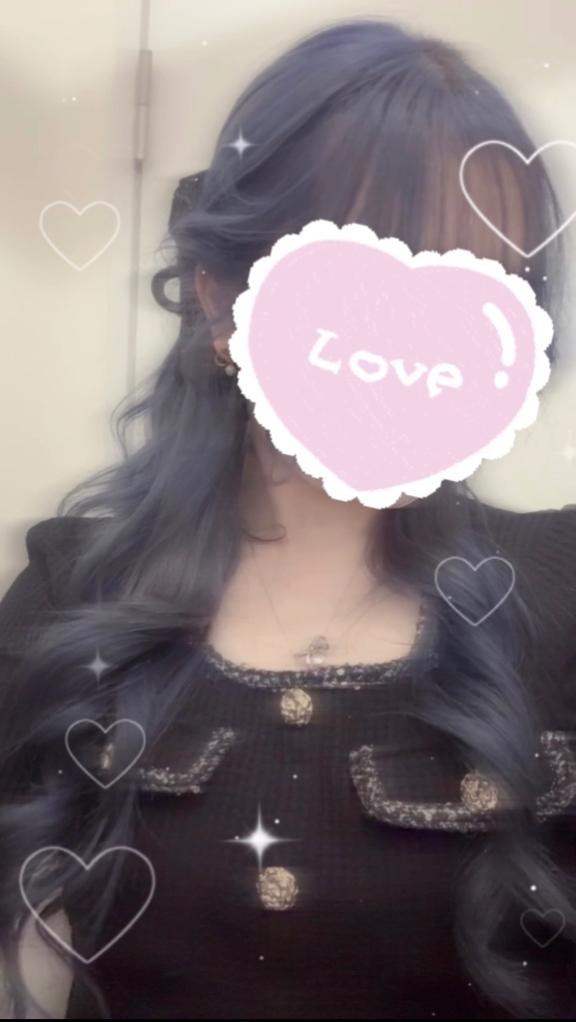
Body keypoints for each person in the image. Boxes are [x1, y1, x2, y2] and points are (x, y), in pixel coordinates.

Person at [1, 16, 576, 1021]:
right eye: (377, 274)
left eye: (486, 282)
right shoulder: (74, 590)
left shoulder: (560, 592)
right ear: (221, 304)